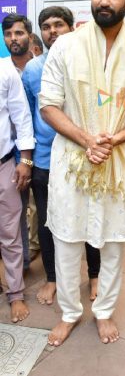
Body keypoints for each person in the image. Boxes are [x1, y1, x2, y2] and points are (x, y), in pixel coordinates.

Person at [39, 0, 125, 347]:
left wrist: (115, 138)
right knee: (68, 240)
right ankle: (71, 312)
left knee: (112, 243)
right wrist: (86, 139)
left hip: (116, 164)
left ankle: (103, 311)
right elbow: (48, 105)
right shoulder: (66, 48)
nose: (104, 0)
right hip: (72, 163)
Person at [22, 6, 101, 306]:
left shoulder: (89, 65)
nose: (52, 31)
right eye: (46, 26)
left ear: (72, 28)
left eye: (59, 25)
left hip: (81, 157)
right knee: (46, 221)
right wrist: (27, 159)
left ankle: (94, 275)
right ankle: (53, 279)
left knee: (90, 218)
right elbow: (29, 115)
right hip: (44, 159)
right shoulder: (32, 69)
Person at [0, 56, 34, 322]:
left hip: (4, 166)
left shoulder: (5, 70)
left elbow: (22, 117)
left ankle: (15, 293)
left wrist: (25, 160)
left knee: (10, 233)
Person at [2, 14, 37, 271]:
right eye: (9, 34)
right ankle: (22, 263)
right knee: (18, 212)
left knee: (41, 210)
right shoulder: (4, 70)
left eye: (19, 33)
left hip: (43, 151)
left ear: (30, 36)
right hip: (13, 155)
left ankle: (50, 266)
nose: (14, 39)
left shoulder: (42, 69)